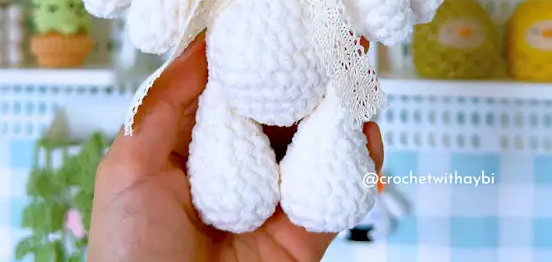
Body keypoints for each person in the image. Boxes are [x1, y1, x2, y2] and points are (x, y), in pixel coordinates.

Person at [88, 34, 384, 261]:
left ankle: (325, 166)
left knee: (336, 99)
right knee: (220, 113)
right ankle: (235, 192)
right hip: (229, 85)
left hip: (308, 75)